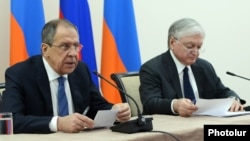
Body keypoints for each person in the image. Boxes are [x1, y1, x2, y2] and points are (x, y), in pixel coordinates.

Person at [1, 19, 131, 133]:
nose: (73, 54)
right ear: (45, 50)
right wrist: (58, 123)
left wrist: (115, 111)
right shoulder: (20, 74)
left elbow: (96, 106)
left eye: (76, 46)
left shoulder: (80, 70)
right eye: (65, 46)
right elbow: (11, 120)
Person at [139, 18, 246, 117]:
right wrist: (175, 105)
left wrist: (233, 99)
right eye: (190, 46)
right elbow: (150, 103)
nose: (195, 52)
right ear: (172, 43)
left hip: (203, 123)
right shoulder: (152, 68)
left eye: (199, 47)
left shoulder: (204, 66)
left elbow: (222, 91)